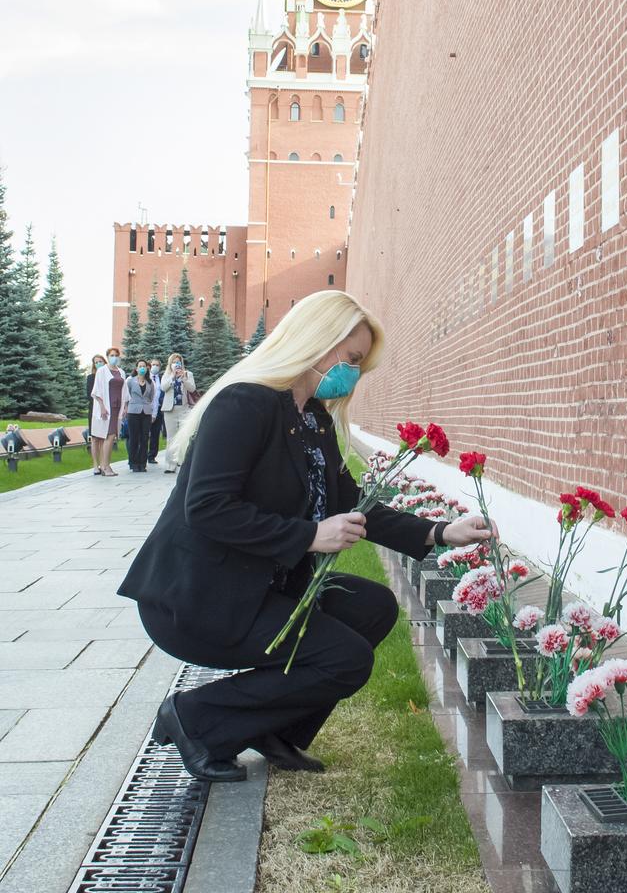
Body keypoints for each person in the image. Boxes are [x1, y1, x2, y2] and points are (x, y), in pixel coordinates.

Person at [118, 290, 496, 783]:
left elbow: (352, 505)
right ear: (319, 342)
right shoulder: (245, 404)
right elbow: (208, 508)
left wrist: (442, 531)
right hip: (198, 599)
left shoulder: (313, 419)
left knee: (374, 608)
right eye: (352, 359)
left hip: (258, 587)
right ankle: (196, 719)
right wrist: (310, 535)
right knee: (345, 659)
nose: (353, 374)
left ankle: (276, 731)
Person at [90, 347, 125, 477]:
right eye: (111, 355)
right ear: (107, 356)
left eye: (116, 355)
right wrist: (102, 406)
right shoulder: (102, 371)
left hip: (117, 407)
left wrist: (125, 405)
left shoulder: (121, 371)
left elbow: (124, 391)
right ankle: (104, 466)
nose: (114, 357)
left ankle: (107, 464)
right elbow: (97, 391)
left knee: (112, 436)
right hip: (107, 408)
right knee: (108, 436)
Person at [159, 352, 196, 473]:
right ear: (170, 364)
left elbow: (192, 388)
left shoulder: (187, 374)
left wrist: (183, 379)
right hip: (170, 410)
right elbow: (163, 387)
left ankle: (184, 464)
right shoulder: (166, 375)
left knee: (185, 436)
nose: (176, 364)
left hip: (184, 409)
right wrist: (172, 377)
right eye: (174, 362)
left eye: (178, 362)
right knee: (171, 438)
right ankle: (170, 465)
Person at [122, 360, 157, 472]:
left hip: (146, 412)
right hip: (133, 412)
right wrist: (125, 408)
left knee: (144, 438)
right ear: (136, 368)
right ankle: (133, 463)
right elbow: (126, 396)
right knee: (134, 438)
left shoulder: (150, 382)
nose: (142, 368)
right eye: (140, 366)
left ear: (147, 369)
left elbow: (151, 397)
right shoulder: (130, 381)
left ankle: (142, 463)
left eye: (144, 366)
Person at [86, 355, 106, 473]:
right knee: (94, 438)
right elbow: (89, 395)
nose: (99, 363)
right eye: (96, 362)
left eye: (100, 361)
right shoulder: (91, 378)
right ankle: (95, 465)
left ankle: (104, 463)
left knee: (103, 438)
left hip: (105, 410)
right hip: (94, 410)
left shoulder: (108, 377)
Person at [147, 359, 165, 465]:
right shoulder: (146, 377)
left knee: (155, 433)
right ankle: (142, 455)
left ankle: (152, 455)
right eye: (153, 364)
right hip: (146, 409)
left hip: (158, 409)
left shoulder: (162, 378)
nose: (155, 366)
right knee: (144, 433)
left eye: (157, 365)